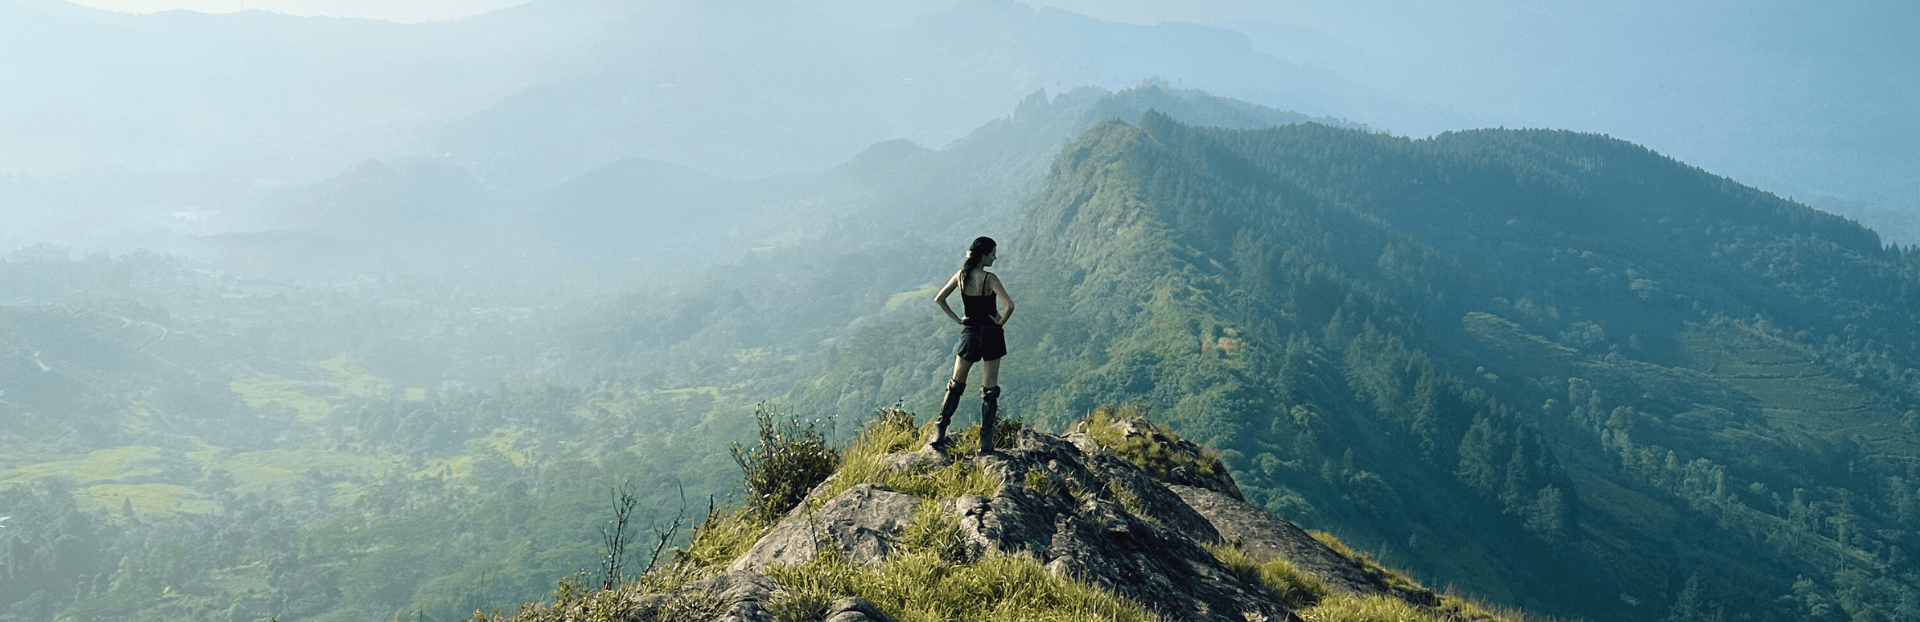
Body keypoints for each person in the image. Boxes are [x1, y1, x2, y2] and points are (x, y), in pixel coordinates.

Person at [930, 236, 1015, 453]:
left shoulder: (961, 276)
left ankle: (940, 430)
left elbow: (939, 299)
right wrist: (999, 324)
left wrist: (958, 319)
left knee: (956, 384)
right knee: (989, 390)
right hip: (991, 335)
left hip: (969, 333)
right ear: (983, 255)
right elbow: (1009, 306)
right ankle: (985, 440)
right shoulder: (990, 278)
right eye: (992, 254)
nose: (995, 257)